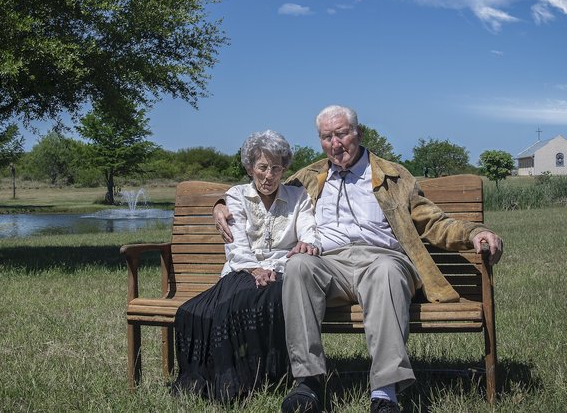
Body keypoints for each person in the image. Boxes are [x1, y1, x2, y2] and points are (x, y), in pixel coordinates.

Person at [214, 105, 504, 413]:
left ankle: (384, 392)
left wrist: (474, 232)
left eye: (341, 134)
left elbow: (432, 220)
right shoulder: (310, 177)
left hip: (382, 259)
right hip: (330, 264)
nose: (335, 144)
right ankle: (308, 383)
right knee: (298, 265)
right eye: (327, 137)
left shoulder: (392, 176)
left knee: (387, 271)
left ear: (358, 133)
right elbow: (262, 188)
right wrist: (219, 205)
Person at [173, 130, 317, 403]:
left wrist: (304, 246)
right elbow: (235, 245)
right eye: (262, 167)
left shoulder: (298, 196)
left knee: (270, 293)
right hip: (242, 270)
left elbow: (309, 232)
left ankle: (263, 376)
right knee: (197, 311)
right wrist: (254, 270)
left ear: (284, 168)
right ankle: (228, 379)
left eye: (276, 168)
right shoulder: (236, 196)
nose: (269, 175)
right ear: (250, 167)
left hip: (283, 270)